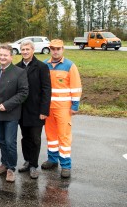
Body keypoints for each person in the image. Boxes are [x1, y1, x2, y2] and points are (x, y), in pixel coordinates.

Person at [0, 44, 29, 182]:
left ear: (11, 56)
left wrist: (7, 105)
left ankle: (11, 168)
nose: (2, 57)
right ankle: (4, 163)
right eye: (0, 55)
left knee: (10, 141)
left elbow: (23, 92)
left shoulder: (19, 72)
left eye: (5, 55)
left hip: (11, 113)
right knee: (1, 141)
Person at [42, 39, 82, 178]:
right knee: (51, 135)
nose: (55, 51)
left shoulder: (69, 66)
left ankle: (66, 165)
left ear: (63, 49)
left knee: (64, 136)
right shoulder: (44, 65)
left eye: (58, 49)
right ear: (50, 49)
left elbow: (76, 87)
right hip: (48, 108)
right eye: (53, 48)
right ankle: (52, 160)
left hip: (63, 108)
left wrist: (75, 106)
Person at [15, 40, 51, 179]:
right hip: (22, 110)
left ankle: (34, 165)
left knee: (35, 138)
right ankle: (27, 161)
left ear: (33, 49)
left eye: (27, 49)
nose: (25, 52)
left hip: (36, 110)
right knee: (25, 138)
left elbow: (46, 90)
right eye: (23, 49)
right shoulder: (17, 67)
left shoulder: (42, 67)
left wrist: (44, 110)